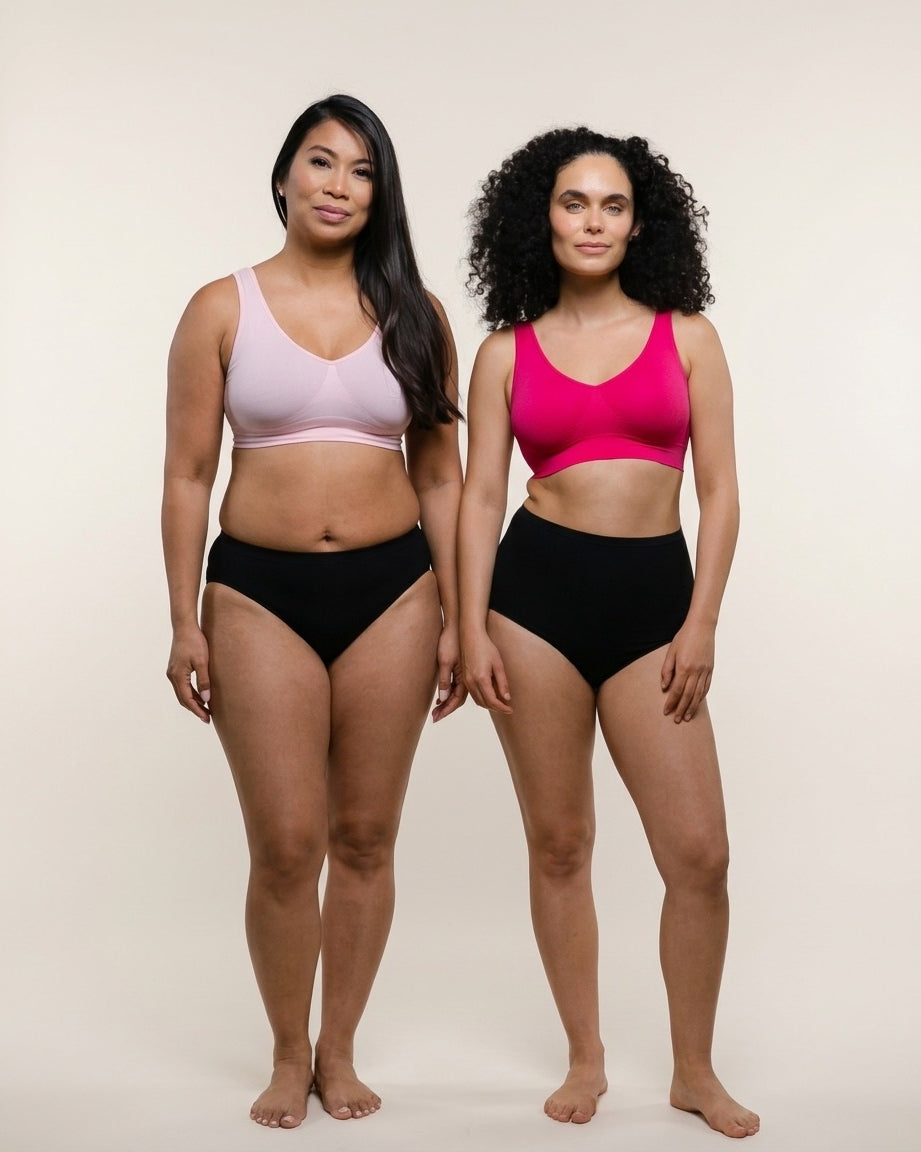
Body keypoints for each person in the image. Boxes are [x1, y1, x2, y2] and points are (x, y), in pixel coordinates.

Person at [162, 94, 464, 1130]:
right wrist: (183, 619)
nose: (340, 185)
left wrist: (463, 619)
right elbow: (189, 474)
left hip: (396, 593)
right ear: (284, 176)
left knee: (367, 835)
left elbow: (441, 480)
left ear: (380, 193)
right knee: (287, 845)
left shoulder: (416, 315)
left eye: (362, 170)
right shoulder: (220, 306)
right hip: (255, 593)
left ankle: (340, 1050)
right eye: (321, 162)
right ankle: (287, 1052)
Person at [458, 127, 759, 1138]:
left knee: (700, 856)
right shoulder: (504, 351)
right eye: (575, 202)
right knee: (560, 844)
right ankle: (585, 1059)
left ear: (641, 223)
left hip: (653, 606)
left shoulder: (689, 338)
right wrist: (470, 626)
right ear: (541, 218)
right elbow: (477, 496)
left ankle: (693, 1069)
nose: (593, 221)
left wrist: (701, 621)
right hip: (532, 600)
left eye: (613, 205)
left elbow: (719, 493)